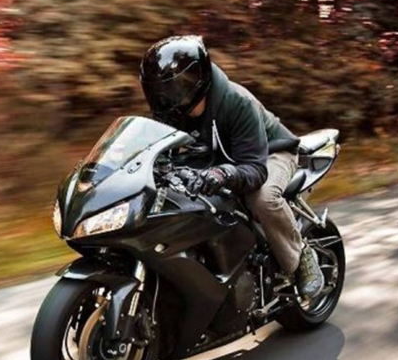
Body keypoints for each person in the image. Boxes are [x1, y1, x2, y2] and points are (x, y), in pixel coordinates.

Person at [139, 35, 324, 299]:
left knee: (262, 198)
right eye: (160, 90)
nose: (167, 96)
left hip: (270, 152)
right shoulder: (170, 110)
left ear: (197, 78)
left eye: (175, 86)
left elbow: (255, 170)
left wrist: (222, 173)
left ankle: (301, 255)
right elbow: (158, 152)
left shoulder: (237, 102)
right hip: (221, 156)